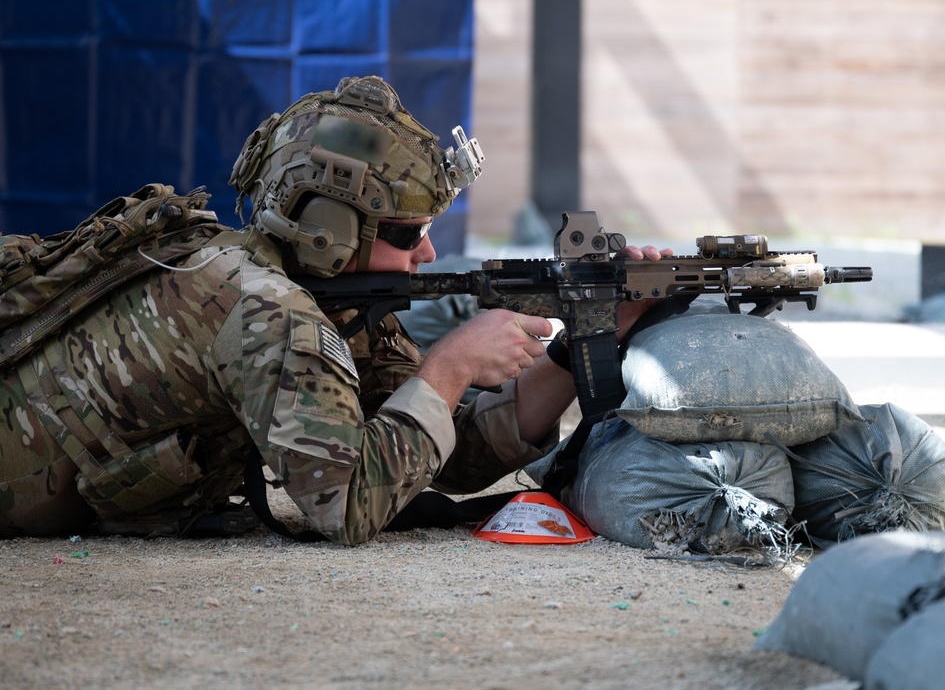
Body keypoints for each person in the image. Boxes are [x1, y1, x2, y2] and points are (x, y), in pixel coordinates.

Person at [0, 75, 665, 545]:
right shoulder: (267, 309)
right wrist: (450, 365)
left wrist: (582, 343)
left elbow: (435, 451)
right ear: (328, 232)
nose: (427, 251)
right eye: (407, 233)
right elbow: (345, 504)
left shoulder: (311, 295)